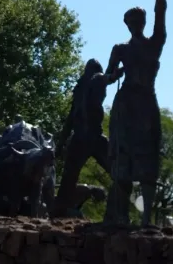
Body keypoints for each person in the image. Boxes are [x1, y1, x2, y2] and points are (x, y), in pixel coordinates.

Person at [103, 0, 167, 227]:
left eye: (138, 20)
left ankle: (146, 218)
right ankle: (121, 216)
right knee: (123, 160)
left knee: (148, 160)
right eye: (131, 21)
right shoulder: (120, 49)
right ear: (127, 24)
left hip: (146, 105)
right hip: (126, 106)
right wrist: (114, 74)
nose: (135, 24)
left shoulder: (155, 44)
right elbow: (108, 77)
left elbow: (161, 12)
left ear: (143, 22)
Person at [50, 58, 122, 217]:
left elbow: (70, 120)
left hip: (85, 137)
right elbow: (70, 118)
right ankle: (61, 207)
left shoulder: (87, 85)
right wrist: (61, 142)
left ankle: (118, 207)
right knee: (116, 169)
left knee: (114, 168)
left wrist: (61, 142)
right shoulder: (89, 83)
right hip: (88, 137)